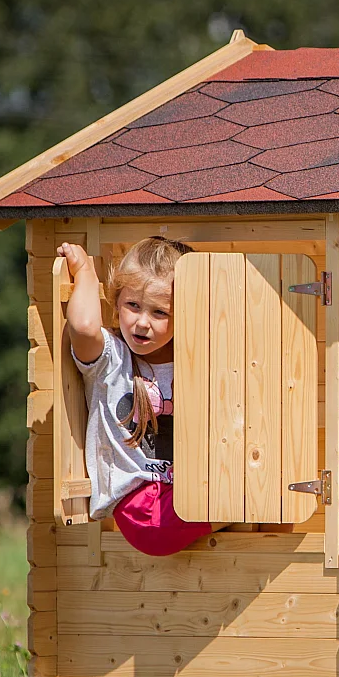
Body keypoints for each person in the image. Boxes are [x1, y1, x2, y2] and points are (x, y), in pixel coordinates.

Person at [57, 235, 213, 556]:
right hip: (140, 507)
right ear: (116, 302)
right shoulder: (112, 359)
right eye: (133, 306)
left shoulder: (194, 362)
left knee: (256, 490)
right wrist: (85, 271)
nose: (142, 323)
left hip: (186, 492)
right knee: (245, 499)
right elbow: (84, 327)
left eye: (160, 313)